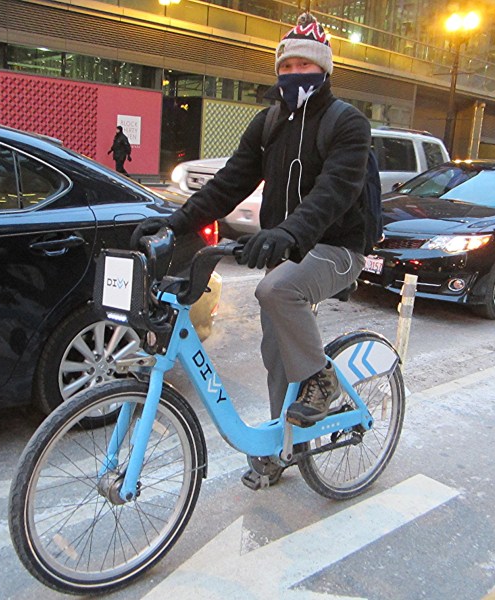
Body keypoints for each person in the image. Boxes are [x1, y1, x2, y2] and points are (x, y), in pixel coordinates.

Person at [131, 13, 371, 483]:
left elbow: (333, 194)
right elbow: (229, 184)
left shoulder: (347, 123)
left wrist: (288, 233)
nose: (292, 73)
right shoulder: (269, 123)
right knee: (277, 354)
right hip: (286, 249)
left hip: (336, 247)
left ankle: (323, 378)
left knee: (276, 292)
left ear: (323, 69)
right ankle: (280, 445)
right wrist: (173, 223)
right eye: (285, 66)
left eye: (303, 64)